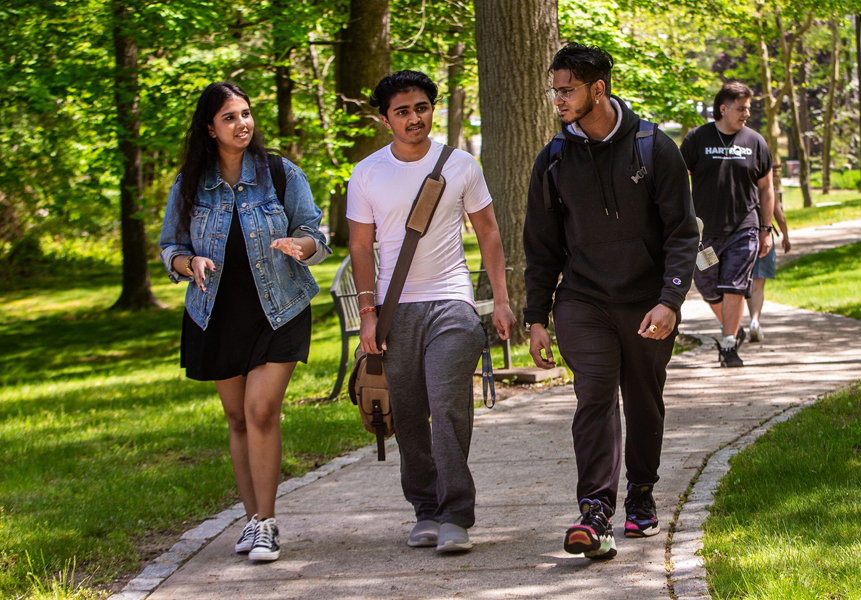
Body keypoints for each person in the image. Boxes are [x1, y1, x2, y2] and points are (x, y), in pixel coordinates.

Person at [523, 43, 699, 559]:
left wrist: (670, 300)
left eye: (567, 90)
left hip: (647, 301)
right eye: (554, 90)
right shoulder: (554, 158)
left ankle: (640, 492)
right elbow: (541, 246)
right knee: (595, 394)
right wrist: (538, 317)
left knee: (643, 399)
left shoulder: (653, 147)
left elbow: (682, 233)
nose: (557, 99)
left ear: (597, 89)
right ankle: (594, 510)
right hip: (582, 300)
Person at [159, 82, 331, 563]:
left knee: (260, 410)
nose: (243, 124)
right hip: (215, 313)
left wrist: (303, 247)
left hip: (279, 308)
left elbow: (314, 230)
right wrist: (188, 266)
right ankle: (252, 519)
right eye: (230, 117)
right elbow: (170, 247)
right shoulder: (190, 183)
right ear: (210, 128)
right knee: (237, 418)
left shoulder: (279, 172)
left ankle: (268, 524)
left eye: (247, 114)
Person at [347, 70, 516, 554]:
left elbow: (488, 232)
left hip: (452, 303)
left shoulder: (460, 164)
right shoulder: (368, 173)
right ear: (385, 120)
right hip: (395, 309)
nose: (414, 117)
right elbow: (361, 247)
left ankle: (456, 514)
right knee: (409, 411)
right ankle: (425, 509)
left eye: (421, 107)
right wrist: (368, 314)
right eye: (402, 111)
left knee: (446, 406)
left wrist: (499, 300)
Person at [680, 81, 775, 367]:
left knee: (734, 286)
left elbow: (766, 188)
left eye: (749, 108)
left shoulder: (755, 142)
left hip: (743, 230)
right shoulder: (697, 138)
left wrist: (766, 230)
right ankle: (734, 329)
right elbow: (677, 180)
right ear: (723, 108)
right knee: (708, 285)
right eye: (741, 108)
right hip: (704, 235)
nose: (747, 113)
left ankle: (729, 344)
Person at [748, 196, 791, 341]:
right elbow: (778, 213)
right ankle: (755, 321)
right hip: (764, 236)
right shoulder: (766, 187)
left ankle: (751, 321)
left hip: (744, 236)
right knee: (758, 286)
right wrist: (785, 236)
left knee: (749, 283)